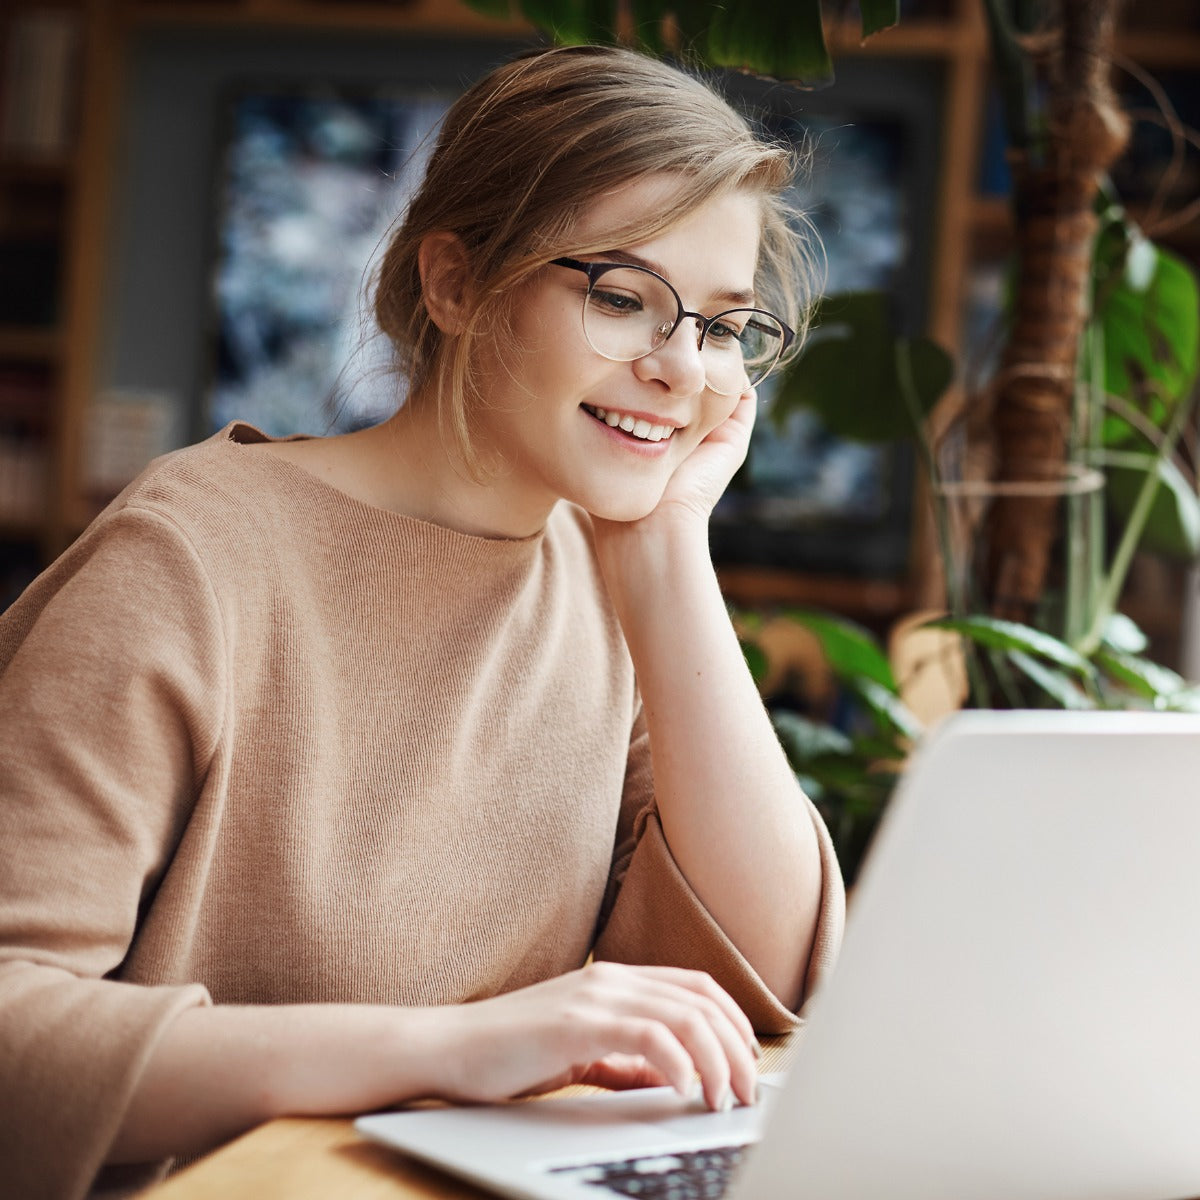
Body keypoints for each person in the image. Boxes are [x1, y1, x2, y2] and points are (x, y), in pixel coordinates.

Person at [0, 43, 844, 1200]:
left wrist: (667, 551)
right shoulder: (192, 556)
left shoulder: (609, 577)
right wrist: (451, 1050)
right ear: (453, 285)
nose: (682, 371)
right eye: (623, 298)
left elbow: (761, 980)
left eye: (719, 326)